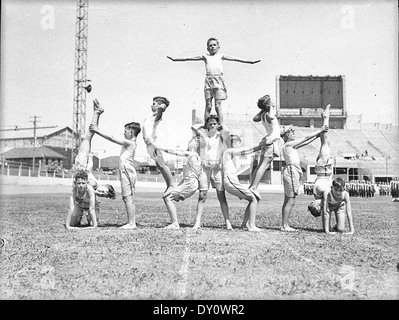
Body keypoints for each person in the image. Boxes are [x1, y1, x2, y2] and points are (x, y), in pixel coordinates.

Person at [167, 37, 260, 123]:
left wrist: (250, 62)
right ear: (207, 48)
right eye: (210, 45)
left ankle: (221, 124)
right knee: (208, 105)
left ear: (218, 47)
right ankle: (206, 125)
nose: (212, 47)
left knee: (217, 105)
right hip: (209, 80)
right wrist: (175, 59)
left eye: (214, 45)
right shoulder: (205, 57)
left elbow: (236, 59)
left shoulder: (221, 56)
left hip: (218, 80)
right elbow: (189, 58)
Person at [89, 101, 141, 230]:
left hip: (127, 171)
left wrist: (97, 131)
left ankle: (131, 223)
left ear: (131, 133)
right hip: (125, 171)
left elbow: (112, 138)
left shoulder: (130, 143)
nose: (124, 133)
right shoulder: (129, 143)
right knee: (127, 197)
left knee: (127, 197)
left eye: (126, 131)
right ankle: (131, 222)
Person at [280, 124, 328, 231]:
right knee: (291, 200)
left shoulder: (290, 146)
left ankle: (284, 224)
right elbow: (305, 138)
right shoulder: (288, 145)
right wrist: (319, 130)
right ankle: (285, 225)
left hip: (292, 170)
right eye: (292, 132)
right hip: (292, 170)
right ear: (287, 135)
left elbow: (305, 142)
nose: (294, 133)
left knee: (287, 199)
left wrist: (317, 136)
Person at [150, 135, 203, 229]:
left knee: (167, 198)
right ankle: (174, 223)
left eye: (192, 140)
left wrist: (157, 146)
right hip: (188, 183)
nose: (189, 141)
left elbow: (173, 151)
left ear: (197, 144)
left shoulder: (192, 154)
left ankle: (175, 224)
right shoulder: (194, 155)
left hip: (190, 183)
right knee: (167, 197)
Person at [191, 114, 232, 230]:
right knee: (202, 195)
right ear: (207, 125)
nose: (213, 125)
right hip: (204, 168)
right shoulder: (203, 135)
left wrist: (219, 124)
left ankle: (228, 222)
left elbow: (227, 130)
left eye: (215, 123)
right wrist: (203, 125)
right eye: (210, 123)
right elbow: (193, 127)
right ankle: (197, 222)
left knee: (221, 196)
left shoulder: (221, 136)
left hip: (217, 168)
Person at [72, 99, 116, 199]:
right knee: (87, 137)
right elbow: (86, 187)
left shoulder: (93, 189)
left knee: (88, 137)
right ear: (105, 185)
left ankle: (96, 113)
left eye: (102, 195)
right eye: (103, 191)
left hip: (83, 165)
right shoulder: (94, 184)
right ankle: (97, 113)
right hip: (82, 165)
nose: (100, 193)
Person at [222, 134, 267, 232]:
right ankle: (251, 225)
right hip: (230, 181)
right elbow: (246, 150)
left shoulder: (232, 156)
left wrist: (261, 147)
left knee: (254, 198)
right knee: (254, 198)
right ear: (233, 143)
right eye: (238, 142)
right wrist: (261, 145)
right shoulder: (228, 151)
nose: (239, 144)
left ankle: (245, 224)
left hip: (232, 181)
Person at [249, 95, 281, 200]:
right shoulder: (269, 114)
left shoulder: (263, 115)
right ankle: (254, 187)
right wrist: (270, 107)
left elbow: (255, 119)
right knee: (264, 165)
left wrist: (263, 108)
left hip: (267, 139)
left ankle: (251, 186)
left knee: (259, 166)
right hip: (271, 141)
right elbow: (272, 117)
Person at [142, 96, 175, 197]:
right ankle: (169, 184)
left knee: (161, 164)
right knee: (158, 165)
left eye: (154, 103)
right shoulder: (149, 116)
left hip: (153, 142)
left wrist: (162, 106)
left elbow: (161, 110)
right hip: (148, 144)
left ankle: (171, 185)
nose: (152, 105)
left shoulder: (157, 116)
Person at [307, 104, 333, 218]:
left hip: (324, 169)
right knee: (325, 142)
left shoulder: (321, 193)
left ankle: (326, 117)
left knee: (325, 141)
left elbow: (328, 198)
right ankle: (325, 118)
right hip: (323, 169)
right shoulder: (318, 196)